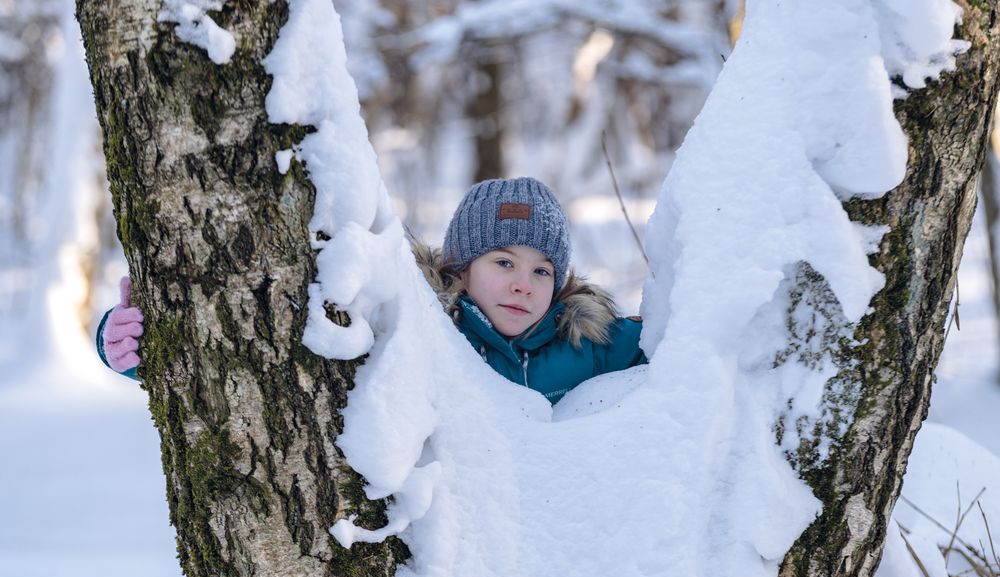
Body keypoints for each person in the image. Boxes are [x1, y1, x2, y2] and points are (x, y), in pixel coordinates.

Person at [97, 177, 645, 404]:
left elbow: (684, 338)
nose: (523, 284)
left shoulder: (590, 342)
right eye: (503, 262)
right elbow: (270, 353)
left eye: (542, 271)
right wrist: (133, 348)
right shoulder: (415, 324)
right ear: (461, 266)